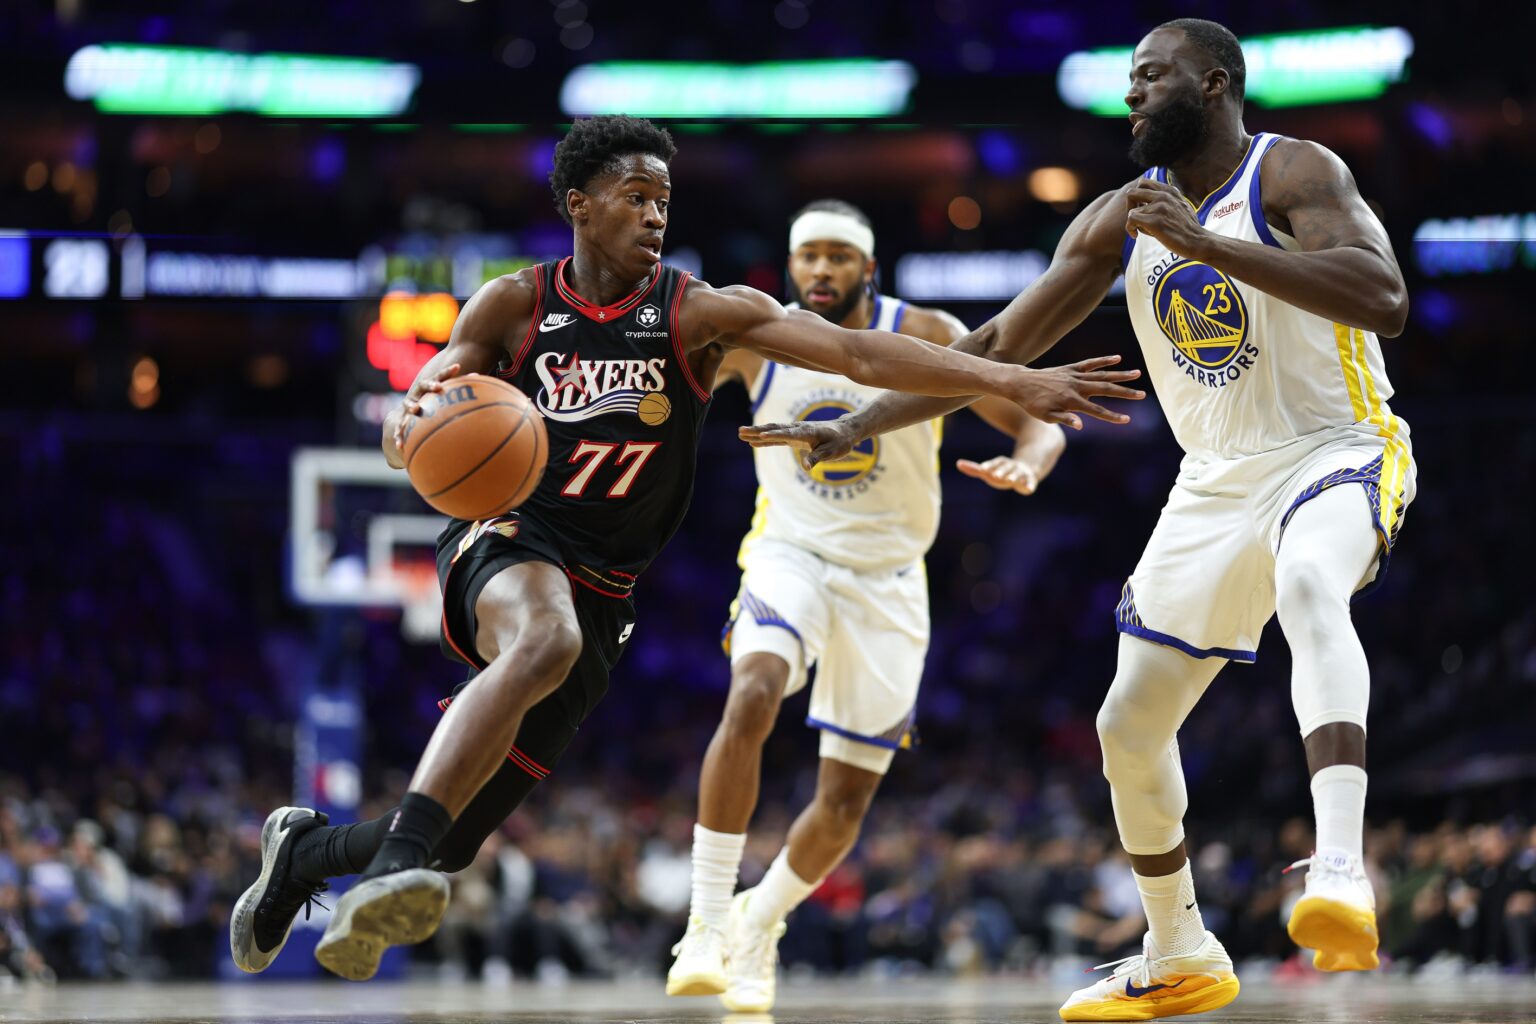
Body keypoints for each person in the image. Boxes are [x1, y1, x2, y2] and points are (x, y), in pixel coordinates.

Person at [228, 115, 1142, 982]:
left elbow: (858, 356)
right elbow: (420, 404)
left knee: (459, 836)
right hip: (510, 534)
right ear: (579, 203)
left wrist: (1010, 377)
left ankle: (309, 850)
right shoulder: (515, 304)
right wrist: (411, 431)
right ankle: (393, 865)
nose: (656, 214)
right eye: (634, 195)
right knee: (543, 642)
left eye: (665, 200)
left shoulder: (701, 314)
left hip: (608, 583)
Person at [744, 19, 1414, 1021]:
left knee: (1312, 582)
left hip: (1337, 445)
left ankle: (1343, 871)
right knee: (1126, 727)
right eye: (1129, 82)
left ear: (1215, 82)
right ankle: (1180, 947)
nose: (1134, 97)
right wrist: (868, 418)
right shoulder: (1116, 217)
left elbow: (1385, 295)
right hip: (1214, 482)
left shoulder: (1293, 173)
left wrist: (1207, 243)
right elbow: (1000, 340)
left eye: (1152, 78)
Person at [666, 199, 1066, 1012]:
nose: (820, 271)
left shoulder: (925, 330)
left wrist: (1030, 463)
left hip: (889, 579)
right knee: (752, 691)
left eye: (836, 258)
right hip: (791, 555)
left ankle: (759, 919)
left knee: (844, 803)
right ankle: (705, 921)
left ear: (868, 266)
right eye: (806, 257)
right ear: (790, 267)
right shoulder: (756, 340)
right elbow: (666, 389)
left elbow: (1035, 420)